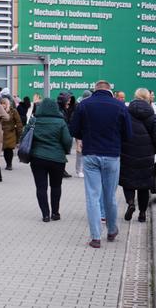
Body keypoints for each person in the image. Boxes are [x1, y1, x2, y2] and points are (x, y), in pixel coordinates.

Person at [69, 80, 132, 248]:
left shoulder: (84, 105)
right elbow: (128, 134)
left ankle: (95, 237)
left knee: (92, 197)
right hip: (112, 155)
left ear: (95, 90)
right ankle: (111, 230)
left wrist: (84, 135)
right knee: (110, 196)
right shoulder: (120, 106)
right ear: (110, 91)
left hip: (90, 155)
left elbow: (73, 130)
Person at [23, 98, 72, 222]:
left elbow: (24, 137)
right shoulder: (61, 122)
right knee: (56, 186)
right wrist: (65, 151)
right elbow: (67, 140)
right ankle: (55, 213)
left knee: (41, 187)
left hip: (37, 158)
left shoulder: (34, 120)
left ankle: (45, 214)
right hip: (57, 159)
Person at [119, 88, 156, 223]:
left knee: (128, 181)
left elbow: (121, 131)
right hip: (146, 154)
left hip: (128, 151)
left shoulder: (126, 112)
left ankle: (130, 203)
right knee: (144, 185)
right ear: (147, 98)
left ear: (135, 96)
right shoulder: (152, 114)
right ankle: (142, 213)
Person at [1, 98, 23, 171]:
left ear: (7, 104)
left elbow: (18, 122)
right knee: (5, 149)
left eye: (4, 104)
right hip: (2, 132)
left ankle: (9, 164)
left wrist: (19, 133)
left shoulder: (13, 111)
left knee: (9, 149)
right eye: (2, 103)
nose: (3, 105)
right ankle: (7, 163)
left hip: (11, 132)